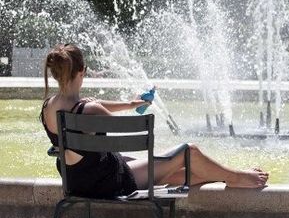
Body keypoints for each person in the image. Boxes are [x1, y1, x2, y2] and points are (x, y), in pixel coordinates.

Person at [40, 43, 268, 198]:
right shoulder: (90, 110)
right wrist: (137, 113)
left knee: (179, 171)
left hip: (78, 183)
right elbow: (119, 124)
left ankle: (225, 176)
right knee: (189, 152)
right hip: (110, 183)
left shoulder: (49, 107)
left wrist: (131, 104)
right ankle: (236, 177)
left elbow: (91, 105)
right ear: (82, 72)